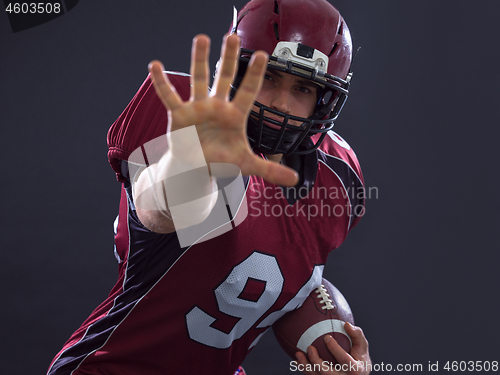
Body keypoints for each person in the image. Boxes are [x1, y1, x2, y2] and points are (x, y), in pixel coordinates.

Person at [47, 0, 371, 374]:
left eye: (302, 87)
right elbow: (160, 210)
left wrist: (337, 353)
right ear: (235, 71)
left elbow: (275, 276)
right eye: (266, 77)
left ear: (324, 99)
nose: (282, 103)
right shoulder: (190, 118)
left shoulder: (338, 174)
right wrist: (194, 160)